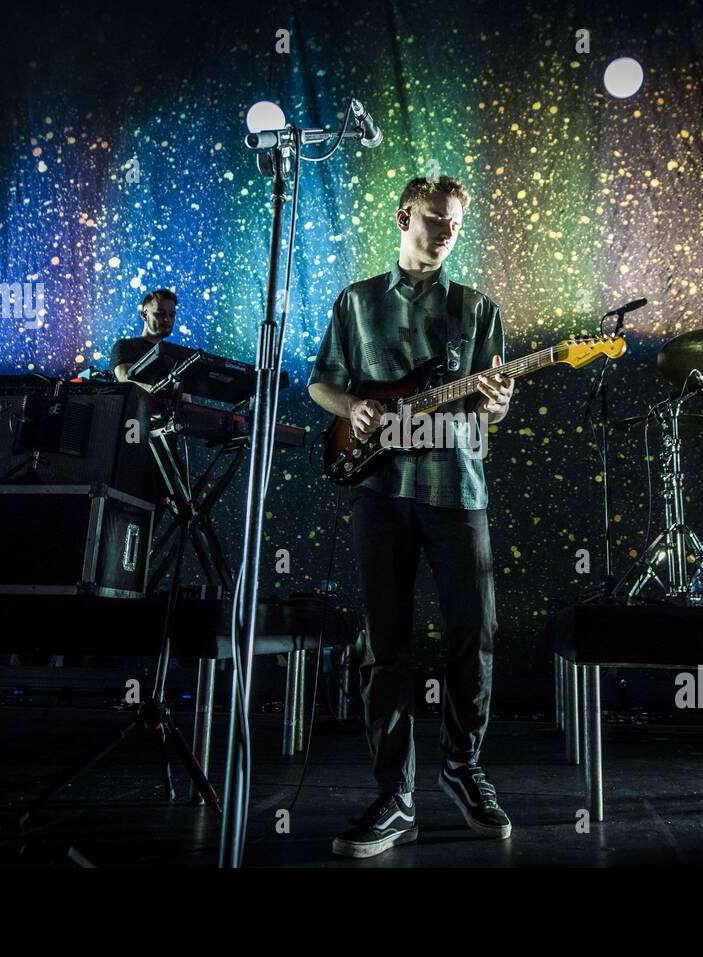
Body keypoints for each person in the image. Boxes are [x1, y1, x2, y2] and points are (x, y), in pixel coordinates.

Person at [307, 175, 514, 858]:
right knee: (386, 645)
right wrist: (352, 409)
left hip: (458, 486)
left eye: (454, 222)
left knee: (475, 631)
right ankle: (395, 796)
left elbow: (493, 411)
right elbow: (320, 380)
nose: (445, 231)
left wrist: (496, 404)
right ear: (403, 217)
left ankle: (463, 764)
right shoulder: (357, 302)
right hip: (382, 489)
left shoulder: (478, 309)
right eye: (433, 218)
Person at [110, 289, 177, 385]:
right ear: (144, 315)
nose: (167, 319)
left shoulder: (174, 355)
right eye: (160, 313)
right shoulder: (126, 346)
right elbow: (128, 382)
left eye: (172, 315)